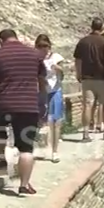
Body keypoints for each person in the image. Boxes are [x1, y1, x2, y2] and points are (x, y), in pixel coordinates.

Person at [0, 29, 46, 195]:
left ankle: (1, 158)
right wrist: (43, 102)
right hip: (28, 106)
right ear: (16, 37)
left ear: (1, 40)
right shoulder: (35, 55)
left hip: (2, 104)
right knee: (26, 149)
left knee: (0, 132)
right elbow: (42, 81)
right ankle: (24, 184)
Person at [74, 18, 104, 141]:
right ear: (101, 27)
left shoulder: (83, 42)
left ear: (91, 27)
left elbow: (78, 60)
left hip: (87, 78)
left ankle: (86, 133)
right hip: (102, 78)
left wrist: (78, 73)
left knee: (87, 105)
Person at [35, 34, 64, 163]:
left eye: (45, 46)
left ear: (49, 46)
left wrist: (58, 69)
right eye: (40, 46)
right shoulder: (35, 59)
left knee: (55, 122)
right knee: (39, 121)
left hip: (54, 91)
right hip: (40, 92)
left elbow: (62, 74)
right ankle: (37, 147)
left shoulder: (56, 58)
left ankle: (55, 151)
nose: (43, 49)